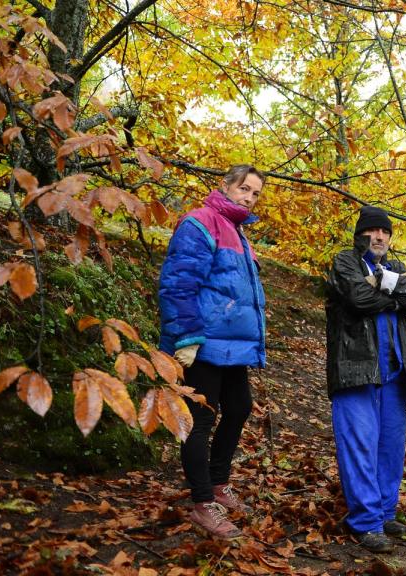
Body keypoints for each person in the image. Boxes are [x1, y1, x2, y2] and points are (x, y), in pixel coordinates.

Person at [158, 165, 267, 539]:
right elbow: (178, 284)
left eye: (255, 194)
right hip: (202, 344)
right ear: (226, 186)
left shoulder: (239, 233)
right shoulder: (200, 222)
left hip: (231, 346)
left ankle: (219, 484)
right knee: (200, 421)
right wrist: (186, 337)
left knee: (238, 408)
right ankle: (203, 503)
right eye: (244, 189)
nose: (249, 198)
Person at [326, 205, 406, 553]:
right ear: (361, 235)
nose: (379, 236)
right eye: (372, 231)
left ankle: (385, 513)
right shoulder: (345, 262)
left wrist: (386, 284)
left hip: (394, 374)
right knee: (359, 445)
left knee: (390, 448)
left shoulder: (395, 268)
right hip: (356, 370)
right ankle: (366, 522)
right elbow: (357, 298)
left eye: (384, 232)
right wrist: (394, 298)